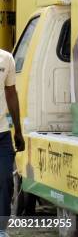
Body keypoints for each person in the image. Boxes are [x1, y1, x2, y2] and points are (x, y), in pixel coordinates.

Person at [0, 50, 24, 236]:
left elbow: (10, 92)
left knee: (6, 180)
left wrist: (18, 130)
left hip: (2, 134)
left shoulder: (6, 59)